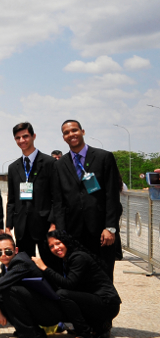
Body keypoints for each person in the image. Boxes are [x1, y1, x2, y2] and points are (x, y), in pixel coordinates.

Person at [53, 119, 123, 279]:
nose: (71, 134)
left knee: (103, 277)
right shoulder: (59, 165)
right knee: (78, 277)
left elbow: (112, 195)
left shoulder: (104, 157)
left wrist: (110, 227)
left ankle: (107, 305)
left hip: (101, 233)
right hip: (73, 233)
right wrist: (61, 235)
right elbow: (58, 202)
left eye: (74, 130)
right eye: (66, 132)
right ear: (63, 137)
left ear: (82, 132)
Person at [40, 230, 121, 338]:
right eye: (51, 246)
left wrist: (44, 268)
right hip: (99, 302)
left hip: (107, 304)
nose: (55, 248)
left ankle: (84, 335)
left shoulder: (78, 257)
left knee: (62, 294)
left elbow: (69, 284)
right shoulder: (69, 258)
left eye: (58, 243)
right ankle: (99, 326)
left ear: (66, 241)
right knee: (62, 296)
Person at [0, 233, 63, 338]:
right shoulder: (5, 267)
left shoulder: (21, 262)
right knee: (2, 293)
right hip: (39, 309)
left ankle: (30, 335)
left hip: (50, 312)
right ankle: (36, 332)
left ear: (16, 250)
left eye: (8, 251)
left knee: (9, 290)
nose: (4, 255)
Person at [5, 122, 63, 270]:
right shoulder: (13, 168)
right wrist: (8, 226)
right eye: (18, 138)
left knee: (51, 265)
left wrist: (54, 224)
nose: (22, 140)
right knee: (24, 266)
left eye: (25, 136)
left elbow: (56, 196)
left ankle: (55, 293)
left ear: (33, 136)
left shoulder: (50, 163)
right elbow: (12, 200)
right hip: (22, 227)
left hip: (45, 225)